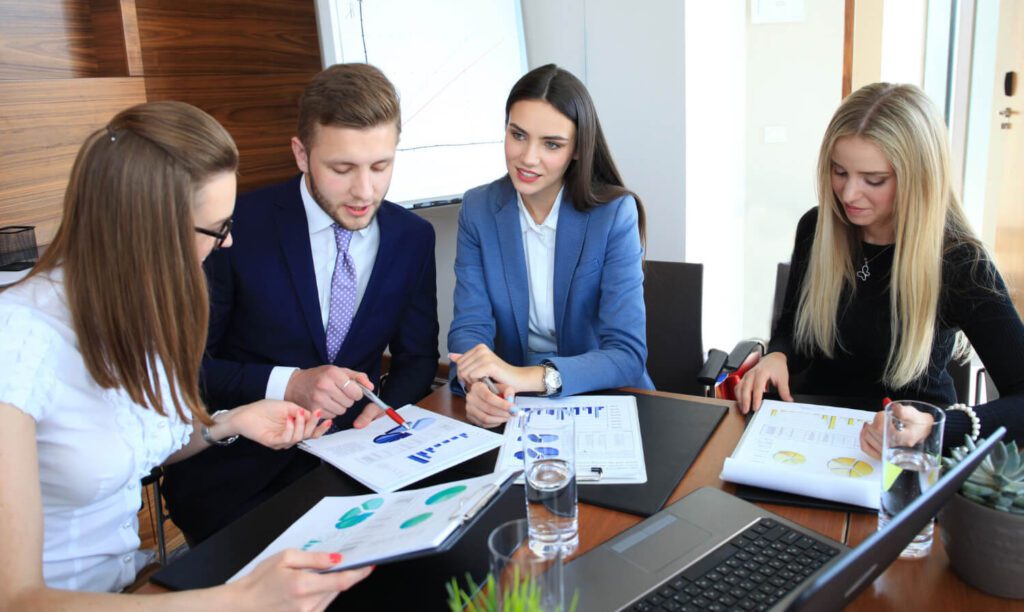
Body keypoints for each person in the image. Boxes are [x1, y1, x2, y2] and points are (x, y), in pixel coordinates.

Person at [0, 101, 372, 607]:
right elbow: (17, 598)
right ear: (146, 229)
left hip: (132, 586)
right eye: (217, 228)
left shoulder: (136, 307)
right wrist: (238, 600)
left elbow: (139, 443)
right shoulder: (18, 341)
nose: (229, 242)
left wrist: (232, 421)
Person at [161, 63, 439, 542]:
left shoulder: (413, 237)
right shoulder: (232, 227)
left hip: (354, 466)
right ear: (301, 154)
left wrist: (385, 410)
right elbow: (188, 368)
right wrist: (289, 384)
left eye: (380, 166)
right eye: (342, 168)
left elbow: (417, 358)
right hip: (236, 479)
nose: (364, 191)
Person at [734, 82, 1024, 455]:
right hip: (811, 436)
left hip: (908, 456)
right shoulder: (818, 228)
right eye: (839, 172)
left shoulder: (960, 262)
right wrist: (779, 354)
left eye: (874, 180)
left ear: (918, 180)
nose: (849, 194)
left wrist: (939, 427)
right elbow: (795, 328)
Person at [447, 64, 653, 428]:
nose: (528, 158)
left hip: (603, 399)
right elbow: (470, 326)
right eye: (518, 135)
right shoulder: (478, 209)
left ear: (577, 150)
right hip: (513, 405)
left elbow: (626, 354)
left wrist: (526, 377)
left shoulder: (614, 214)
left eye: (552, 144)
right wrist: (477, 382)